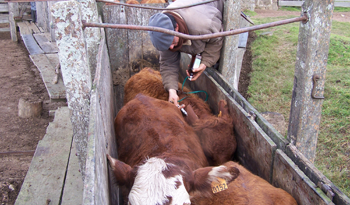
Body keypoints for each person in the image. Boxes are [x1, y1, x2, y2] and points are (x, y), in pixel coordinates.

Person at [148, 0, 224, 107]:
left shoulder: (204, 25)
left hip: (213, 10)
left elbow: (217, 40)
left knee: (217, 63)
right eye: (167, 45)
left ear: (177, 28)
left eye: (172, 42)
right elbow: (168, 63)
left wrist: (205, 62)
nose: (171, 47)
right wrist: (172, 91)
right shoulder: (163, 31)